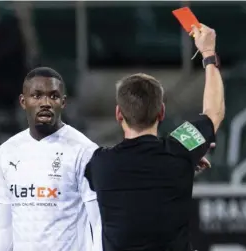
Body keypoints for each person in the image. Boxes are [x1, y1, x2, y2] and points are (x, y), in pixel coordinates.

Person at [84, 23, 224, 251]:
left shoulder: (101, 164)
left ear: (119, 113)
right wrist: (208, 54)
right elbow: (214, 113)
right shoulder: (180, 149)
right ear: (162, 112)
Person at [0, 67, 101, 251]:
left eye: (53, 96)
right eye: (37, 96)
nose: (45, 102)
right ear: (23, 101)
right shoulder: (8, 151)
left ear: (63, 102)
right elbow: (4, 226)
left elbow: (98, 224)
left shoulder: (85, 151)